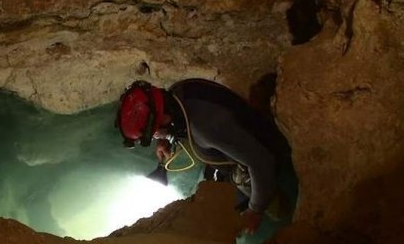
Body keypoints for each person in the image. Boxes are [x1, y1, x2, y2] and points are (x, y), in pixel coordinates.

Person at [115, 78, 291, 234]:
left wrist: (255, 211)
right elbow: (179, 122)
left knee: (262, 204)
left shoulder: (205, 128)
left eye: (153, 134)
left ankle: (284, 213)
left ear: (166, 119)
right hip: (238, 134)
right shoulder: (178, 92)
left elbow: (261, 162)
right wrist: (167, 138)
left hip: (266, 153)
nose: (154, 138)